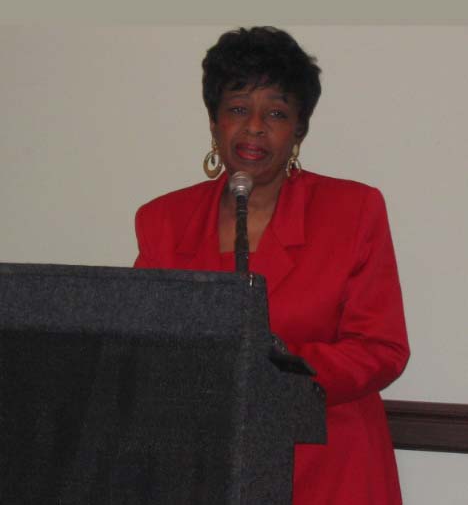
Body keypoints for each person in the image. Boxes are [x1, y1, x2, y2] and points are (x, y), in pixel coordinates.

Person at [134, 26, 410, 505]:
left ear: (299, 130)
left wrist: (274, 369)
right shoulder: (162, 220)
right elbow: (141, 345)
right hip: (204, 468)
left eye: (277, 113)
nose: (255, 127)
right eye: (238, 109)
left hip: (328, 467)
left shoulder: (353, 211)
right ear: (215, 122)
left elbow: (382, 348)